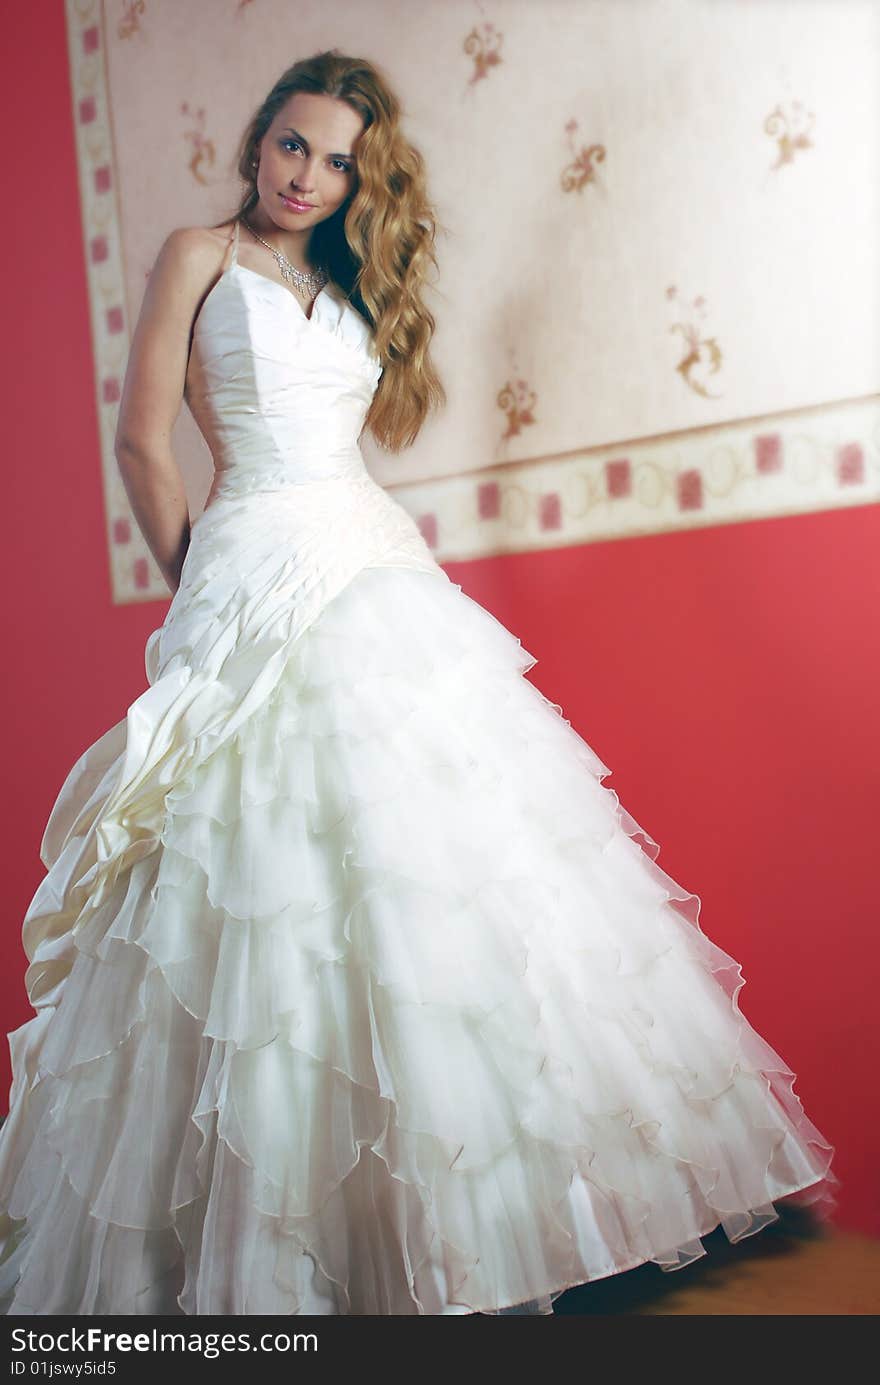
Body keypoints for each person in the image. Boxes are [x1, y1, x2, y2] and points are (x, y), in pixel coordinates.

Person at [0, 49, 837, 1317]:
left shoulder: (348, 285)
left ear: (359, 179)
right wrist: (199, 584)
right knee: (252, 869)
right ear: (257, 141)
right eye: (292, 145)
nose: (307, 176)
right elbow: (140, 435)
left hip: (370, 558)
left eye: (337, 161)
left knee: (441, 853)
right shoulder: (196, 254)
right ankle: (260, 1245)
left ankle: (474, 1218)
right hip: (253, 552)